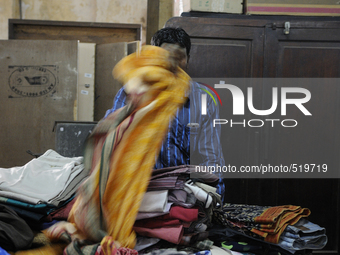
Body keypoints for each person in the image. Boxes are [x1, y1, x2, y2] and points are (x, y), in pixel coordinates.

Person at [104, 27, 226, 203]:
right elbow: (112, 142)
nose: (172, 64)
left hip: (183, 192)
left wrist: (214, 200)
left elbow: (211, 157)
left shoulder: (204, 99)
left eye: (179, 58)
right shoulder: (130, 93)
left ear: (188, 60)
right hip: (139, 190)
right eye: (165, 56)